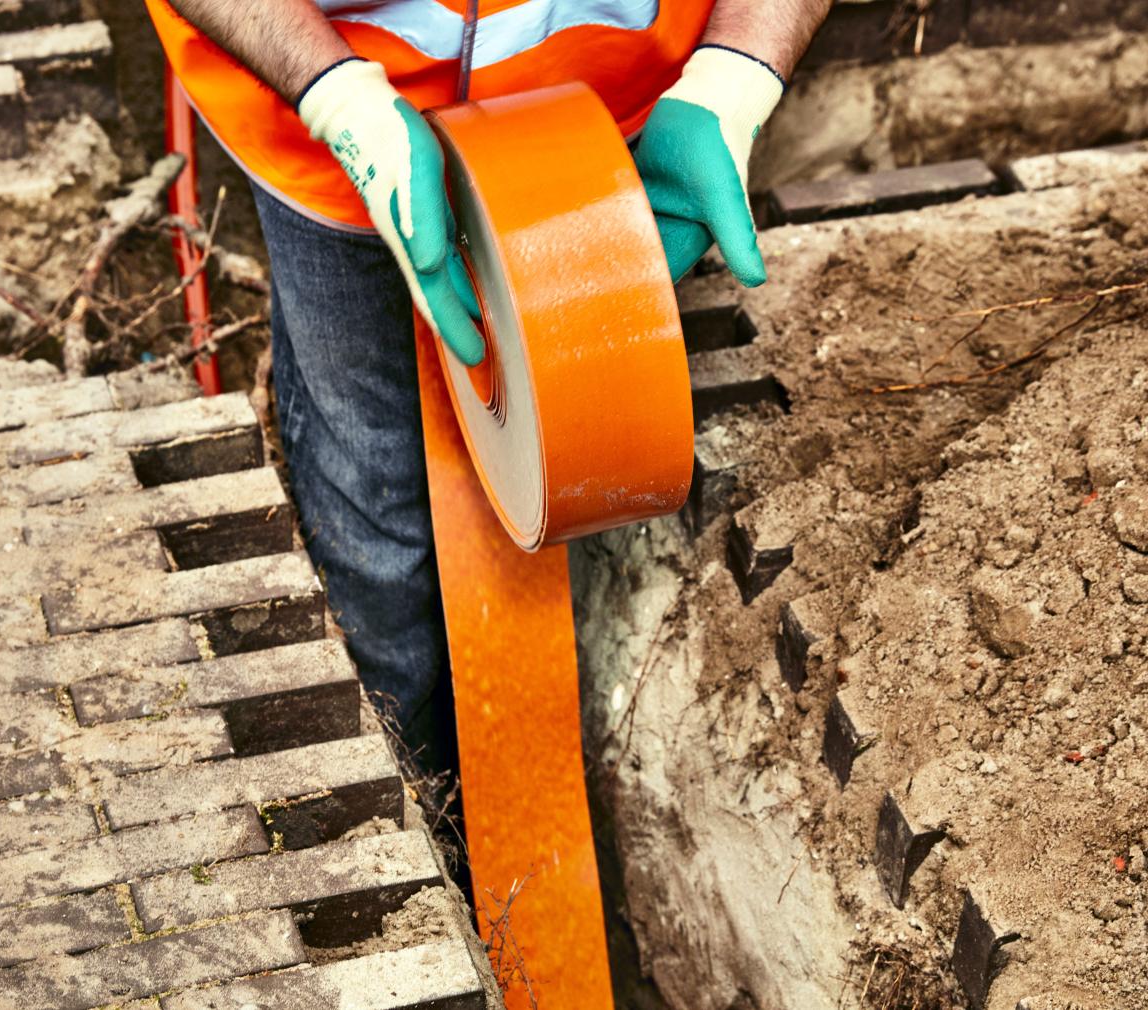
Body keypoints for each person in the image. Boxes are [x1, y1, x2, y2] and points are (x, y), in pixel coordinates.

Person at [146, 0, 832, 789]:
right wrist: (334, 95)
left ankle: (542, 786)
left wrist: (736, 71)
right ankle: (413, 812)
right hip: (333, 114)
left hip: (599, 129)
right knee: (375, 505)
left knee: (579, 463)